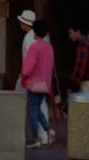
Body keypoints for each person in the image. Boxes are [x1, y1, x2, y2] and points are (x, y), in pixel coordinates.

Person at [22, 20, 56, 150]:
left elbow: (27, 67)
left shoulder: (34, 47)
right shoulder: (49, 48)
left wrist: (24, 77)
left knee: (33, 110)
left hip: (33, 83)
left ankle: (36, 138)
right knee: (37, 109)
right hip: (45, 84)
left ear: (35, 31)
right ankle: (49, 130)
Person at [17, 9, 49, 146]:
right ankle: (44, 135)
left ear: (25, 23)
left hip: (30, 76)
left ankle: (29, 136)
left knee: (19, 103)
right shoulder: (41, 37)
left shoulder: (30, 38)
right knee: (40, 105)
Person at [68, 23, 89, 94]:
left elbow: (80, 66)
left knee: (87, 104)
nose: (70, 36)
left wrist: (73, 85)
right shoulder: (87, 41)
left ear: (78, 32)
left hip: (88, 82)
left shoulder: (83, 44)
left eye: (71, 33)